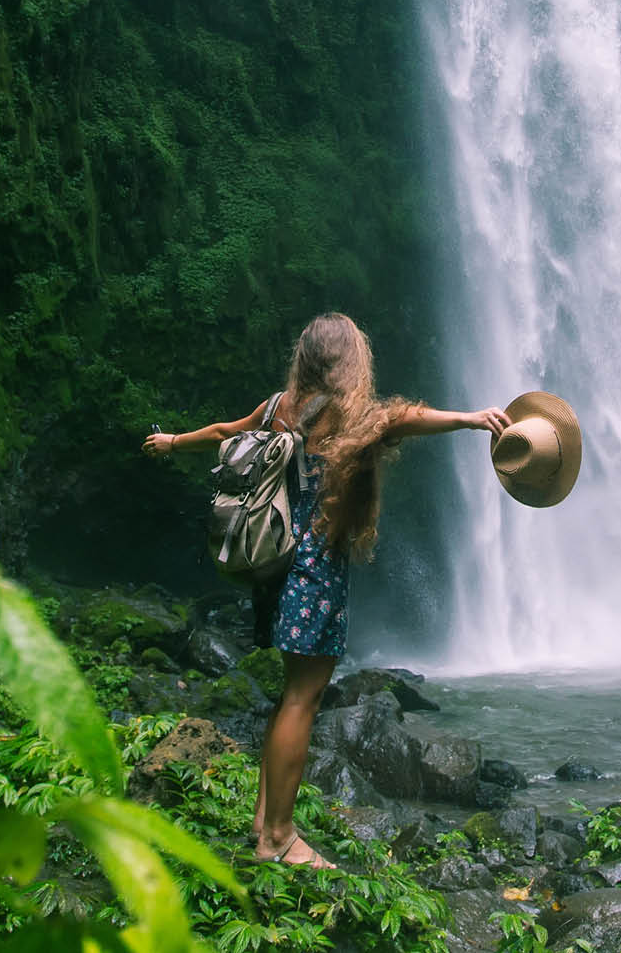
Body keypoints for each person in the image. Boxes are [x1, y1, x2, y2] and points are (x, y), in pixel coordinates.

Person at [141, 312, 508, 868]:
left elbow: (221, 434)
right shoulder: (352, 413)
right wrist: (471, 419)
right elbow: (405, 418)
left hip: (275, 563)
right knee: (302, 699)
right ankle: (279, 838)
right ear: (348, 360)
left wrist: (171, 442)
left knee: (291, 697)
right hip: (314, 567)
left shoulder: (275, 408)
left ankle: (265, 823)